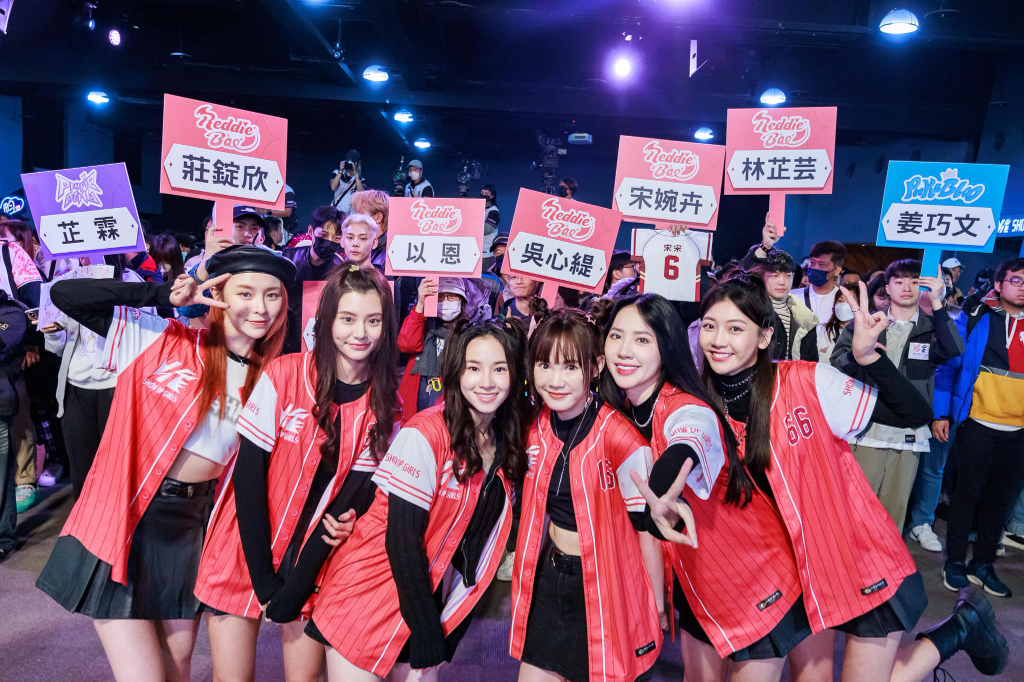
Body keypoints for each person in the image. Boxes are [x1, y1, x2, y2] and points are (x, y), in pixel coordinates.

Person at [625, 278, 1009, 682]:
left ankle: (961, 627)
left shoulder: (807, 382)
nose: (718, 340)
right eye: (709, 326)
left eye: (735, 328)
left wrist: (869, 358)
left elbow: (913, 415)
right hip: (797, 571)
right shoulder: (698, 402)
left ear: (764, 336)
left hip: (858, 555)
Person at [35, 245, 294, 682]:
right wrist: (164, 294)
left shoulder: (272, 379)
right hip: (126, 520)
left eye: (272, 295)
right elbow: (66, 295)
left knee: (176, 669)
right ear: (218, 295)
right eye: (245, 293)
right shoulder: (161, 339)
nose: (260, 308)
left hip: (192, 531)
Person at [194, 266, 400, 682]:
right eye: (347, 318)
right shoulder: (285, 373)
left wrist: (294, 586)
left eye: (373, 320)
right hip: (243, 545)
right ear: (327, 320)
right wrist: (264, 581)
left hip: (311, 558)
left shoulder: (384, 406)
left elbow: (344, 505)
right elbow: (248, 477)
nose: (360, 333)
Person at [307, 317, 530, 681]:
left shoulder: (505, 445)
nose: (487, 381)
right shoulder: (425, 432)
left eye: (500, 369)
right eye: (474, 368)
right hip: (367, 596)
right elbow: (403, 541)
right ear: (455, 371)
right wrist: (428, 632)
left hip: (424, 600)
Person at [510, 308, 663, 682]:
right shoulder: (534, 426)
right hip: (549, 578)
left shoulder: (620, 437)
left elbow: (646, 529)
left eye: (570, 367)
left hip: (605, 584)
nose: (555, 380)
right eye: (544, 365)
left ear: (596, 367)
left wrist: (656, 603)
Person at [831, 260, 963, 535]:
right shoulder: (867, 322)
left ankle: (887, 561)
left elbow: (953, 349)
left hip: (908, 429)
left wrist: (937, 304)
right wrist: (858, 355)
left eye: (915, 282)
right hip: (867, 424)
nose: (906, 287)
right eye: (899, 281)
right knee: (853, 506)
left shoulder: (930, 327)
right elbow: (837, 364)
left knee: (893, 511)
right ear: (887, 287)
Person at [938, 257, 1024, 598]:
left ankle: (983, 564)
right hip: (977, 423)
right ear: (999, 285)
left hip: (1018, 431)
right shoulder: (975, 317)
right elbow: (949, 365)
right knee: (966, 497)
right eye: (1016, 280)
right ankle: (955, 562)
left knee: (1000, 501)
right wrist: (941, 413)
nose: (1023, 287)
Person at [397, 278, 470, 422]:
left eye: (452, 297)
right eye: (441, 297)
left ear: (461, 301)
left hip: (450, 409)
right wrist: (420, 304)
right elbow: (406, 344)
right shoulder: (422, 324)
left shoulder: (469, 333)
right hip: (416, 406)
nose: (446, 302)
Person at [281, 206, 346, 354]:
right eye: (324, 235)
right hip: (287, 339)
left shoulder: (340, 270)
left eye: (336, 238)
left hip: (322, 342)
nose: (329, 242)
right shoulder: (288, 258)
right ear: (311, 231)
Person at [791, 240, 847, 361]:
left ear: (837, 270)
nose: (814, 268)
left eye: (822, 265)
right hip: (798, 364)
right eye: (812, 263)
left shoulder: (845, 300)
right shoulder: (793, 297)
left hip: (833, 366)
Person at [351, 189, 391, 272]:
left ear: (378, 218)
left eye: (361, 216)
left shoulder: (391, 254)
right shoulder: (361, 247)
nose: (356, 221)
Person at [331, 150, 364, 215]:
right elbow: (333, 187)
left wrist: (356, 176)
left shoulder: (360, 180)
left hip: (351, 214)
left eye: (353, 162)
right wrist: (340, 171)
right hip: (337, 212)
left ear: (357, 163)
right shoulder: (337, 173)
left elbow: (362, 194)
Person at [480, 184, 500, 269]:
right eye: (482, 193)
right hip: (476, 250)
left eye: (486, 194)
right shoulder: (478, 207)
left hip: (487, 253)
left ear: (492, 196)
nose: (483, 196)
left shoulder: (494, 212)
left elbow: (487, 230)